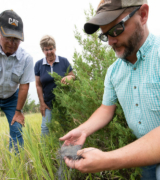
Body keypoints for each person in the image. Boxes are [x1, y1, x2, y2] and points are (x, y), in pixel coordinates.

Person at [60, 0, 160, 179]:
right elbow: (106, 108)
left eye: (116, 29)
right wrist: (83, 130)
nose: (110, 42)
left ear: (143, 15)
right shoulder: (114, 72)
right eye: (105, 35)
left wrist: (107, 159)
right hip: (142, 155)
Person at [0, 10, 34, 169]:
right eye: (8, 38)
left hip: (12, 97)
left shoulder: (26, 58)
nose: (12, 43)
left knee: (17, 128)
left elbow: (24, 86)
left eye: (16, 39)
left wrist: (18, 111)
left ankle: (16, 166)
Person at [34, 35, 75, 136]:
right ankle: (45, 150)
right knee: (45, 127)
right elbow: (38, 85)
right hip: (48, 103)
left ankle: (67, 150)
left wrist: (69, 77)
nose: (49, 52)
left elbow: (73, 76)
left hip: (64, 102)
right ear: (43, 51)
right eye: (46, 49)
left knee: (65, 127)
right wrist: (42, 103)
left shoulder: (64, 61)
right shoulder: (39, 64)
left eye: (51, 49)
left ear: (55, 48)